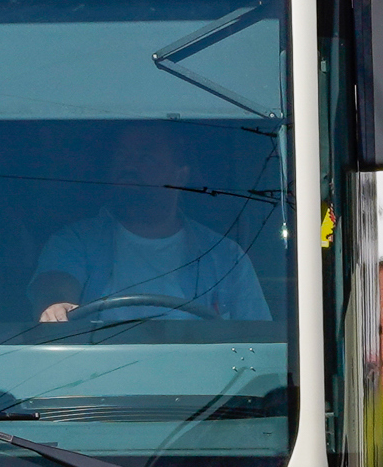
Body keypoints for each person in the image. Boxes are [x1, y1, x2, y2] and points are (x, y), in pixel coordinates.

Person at [29, 123, 271, 325]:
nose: (130, 166)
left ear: (180, 175)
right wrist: (55, 304)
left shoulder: (226, 257)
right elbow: (53, 286)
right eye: (122, 155)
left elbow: (257, 343)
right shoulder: (75, 241)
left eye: (146, 157)